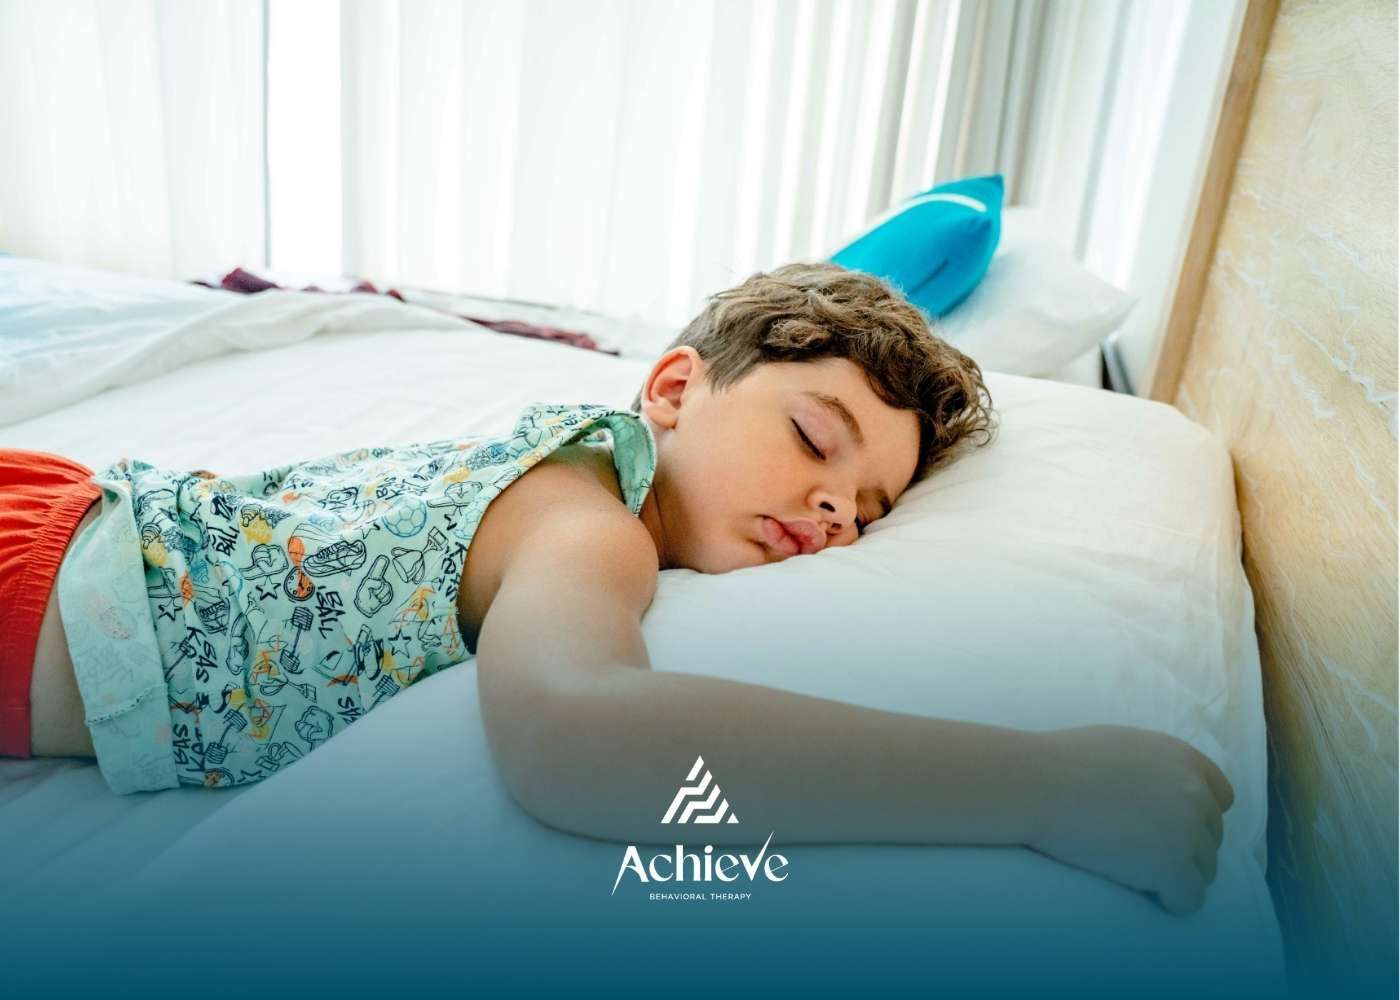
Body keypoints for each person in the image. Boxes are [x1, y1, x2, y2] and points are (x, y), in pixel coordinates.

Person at [0, 262, 1233, 916]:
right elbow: (577, 737)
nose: (830, 513)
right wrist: (1040, 781)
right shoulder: (589, 523)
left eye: (867, 512)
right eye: (815, 443)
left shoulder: (582, 477)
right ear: (671, 389)